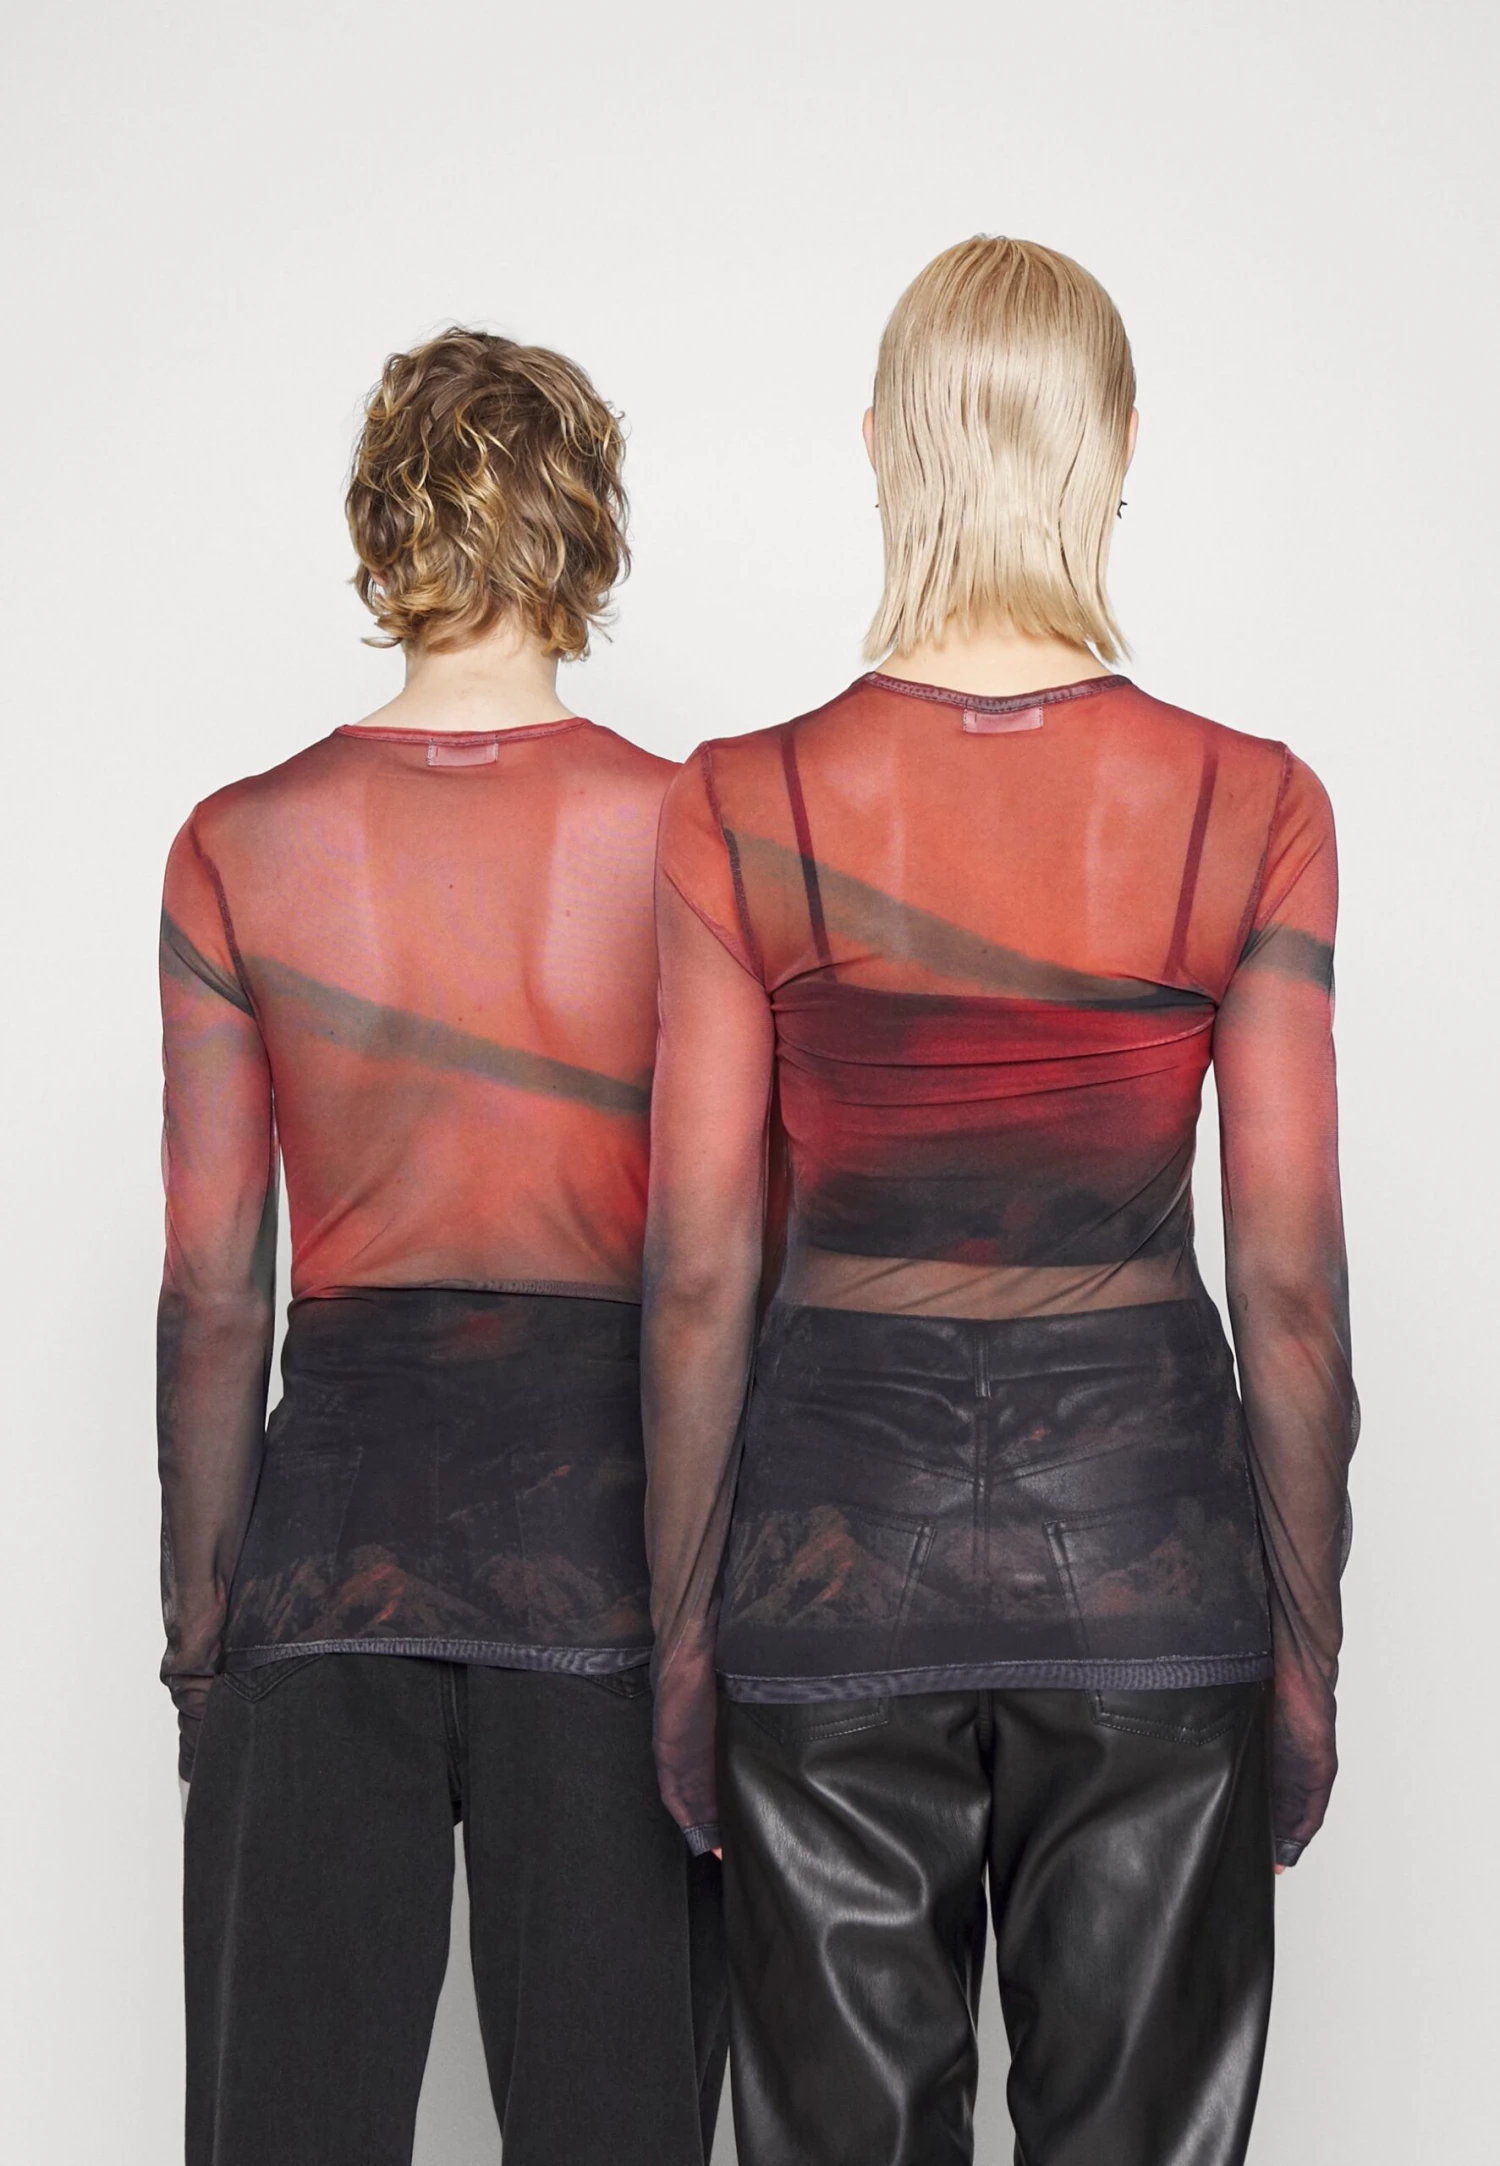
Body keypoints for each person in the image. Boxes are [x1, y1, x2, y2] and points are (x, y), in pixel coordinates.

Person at [643, 238, 1356, 2165]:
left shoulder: (738, 804)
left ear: (883, 446)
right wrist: (1305, 1643)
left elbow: (697, 1275)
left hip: (825, 1578)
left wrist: (687, 1644)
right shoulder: (1252, 803)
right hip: (1152, 1578)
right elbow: (1292, 1288)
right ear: (1115, 444)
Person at [158, 327, 725, 2166]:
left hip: (330, 1559)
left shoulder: (241, 844)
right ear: (587, 526)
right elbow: (735, 1259)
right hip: (612, 1568)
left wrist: (203, 1638)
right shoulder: (691, 837)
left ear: (384, 520)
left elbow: (216, 1292)